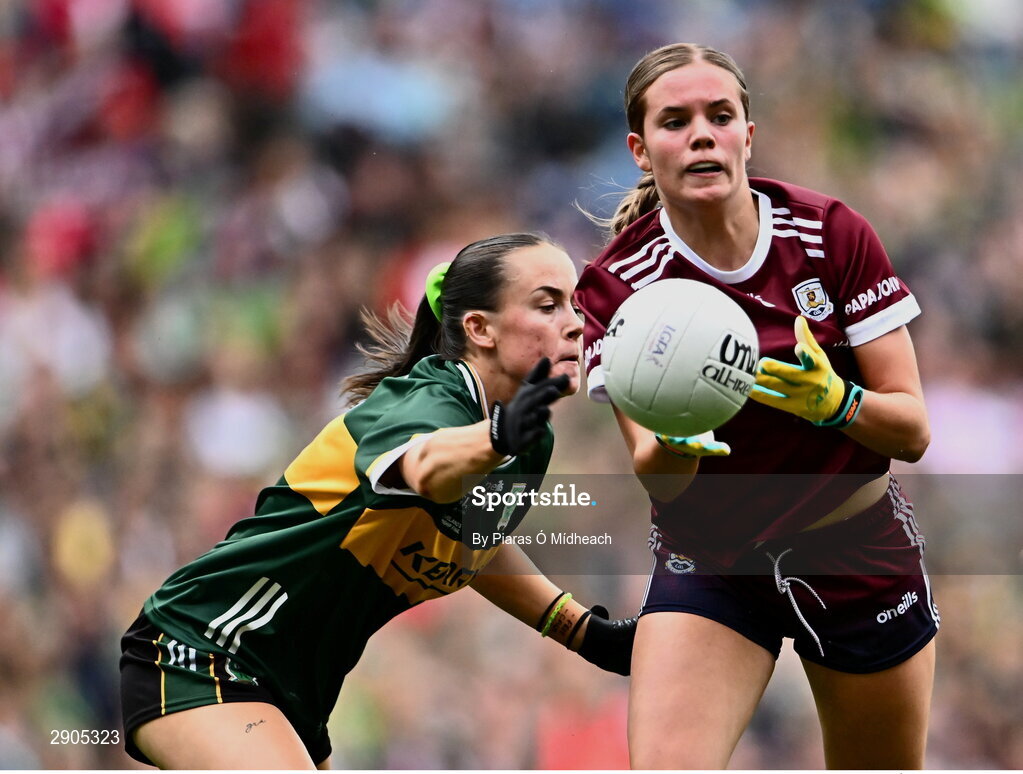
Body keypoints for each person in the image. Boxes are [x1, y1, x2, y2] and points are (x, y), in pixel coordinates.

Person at [120, 232, 636, 770]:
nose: (576, 323)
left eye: (575, 305)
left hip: (294, 695)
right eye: (548, 304)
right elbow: (420, 466)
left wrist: (581, 632)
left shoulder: (529, 442)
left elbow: (473, 545)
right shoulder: (431, 398)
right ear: (479, 328)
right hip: (203, 648)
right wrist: (494, 439)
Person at [574, 44, 937, 769]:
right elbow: (657, 476)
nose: (701, 134)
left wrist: (836, 403)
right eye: (675, 121)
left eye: (719, 115)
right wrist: (681, 427)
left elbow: (912, 430)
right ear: (641, 151)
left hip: (855, 550)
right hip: (712, 563)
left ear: (748, 134)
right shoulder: (616, 286)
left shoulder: (831, 235)